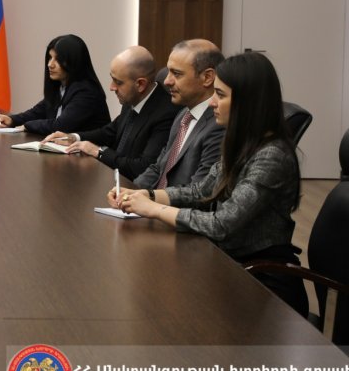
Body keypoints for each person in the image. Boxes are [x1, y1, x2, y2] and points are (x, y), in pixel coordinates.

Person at [108, 52, 308, 316]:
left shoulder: (272, 156)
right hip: (229, 265)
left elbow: (221, 224)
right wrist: (147, 195)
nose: (212, 102)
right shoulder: (243, 143)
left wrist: (153, 209)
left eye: (220, 95)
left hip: (262, 284)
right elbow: (200, 191)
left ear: (248, 102)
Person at [42, 46, 177, 179]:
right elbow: (110, 132)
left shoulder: (166, 114)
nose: (112, 87)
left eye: (118, 82)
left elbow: (142, 168)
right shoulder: (132, 97)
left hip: (132, 186)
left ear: (140, 84)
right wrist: (74, 137)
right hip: (115, 178)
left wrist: (99, 152)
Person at [132, 39, 225, 190]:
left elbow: (198, 191)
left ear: (207, 77)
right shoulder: (183, 115)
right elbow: (158, 168)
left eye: (176, 74)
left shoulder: (219, 125)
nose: (167, 81)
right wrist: (130, 192)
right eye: (169, 72)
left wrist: (149, 198)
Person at [0, 34, 110, 134]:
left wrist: (27, 126)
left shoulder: (87, 92)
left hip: (89, 153)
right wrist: (12, 120)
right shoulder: (61, 86)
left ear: (74, 61)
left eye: (57, 59)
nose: (50, 64)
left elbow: (61, 126)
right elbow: (37, 112)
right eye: (50, 58)